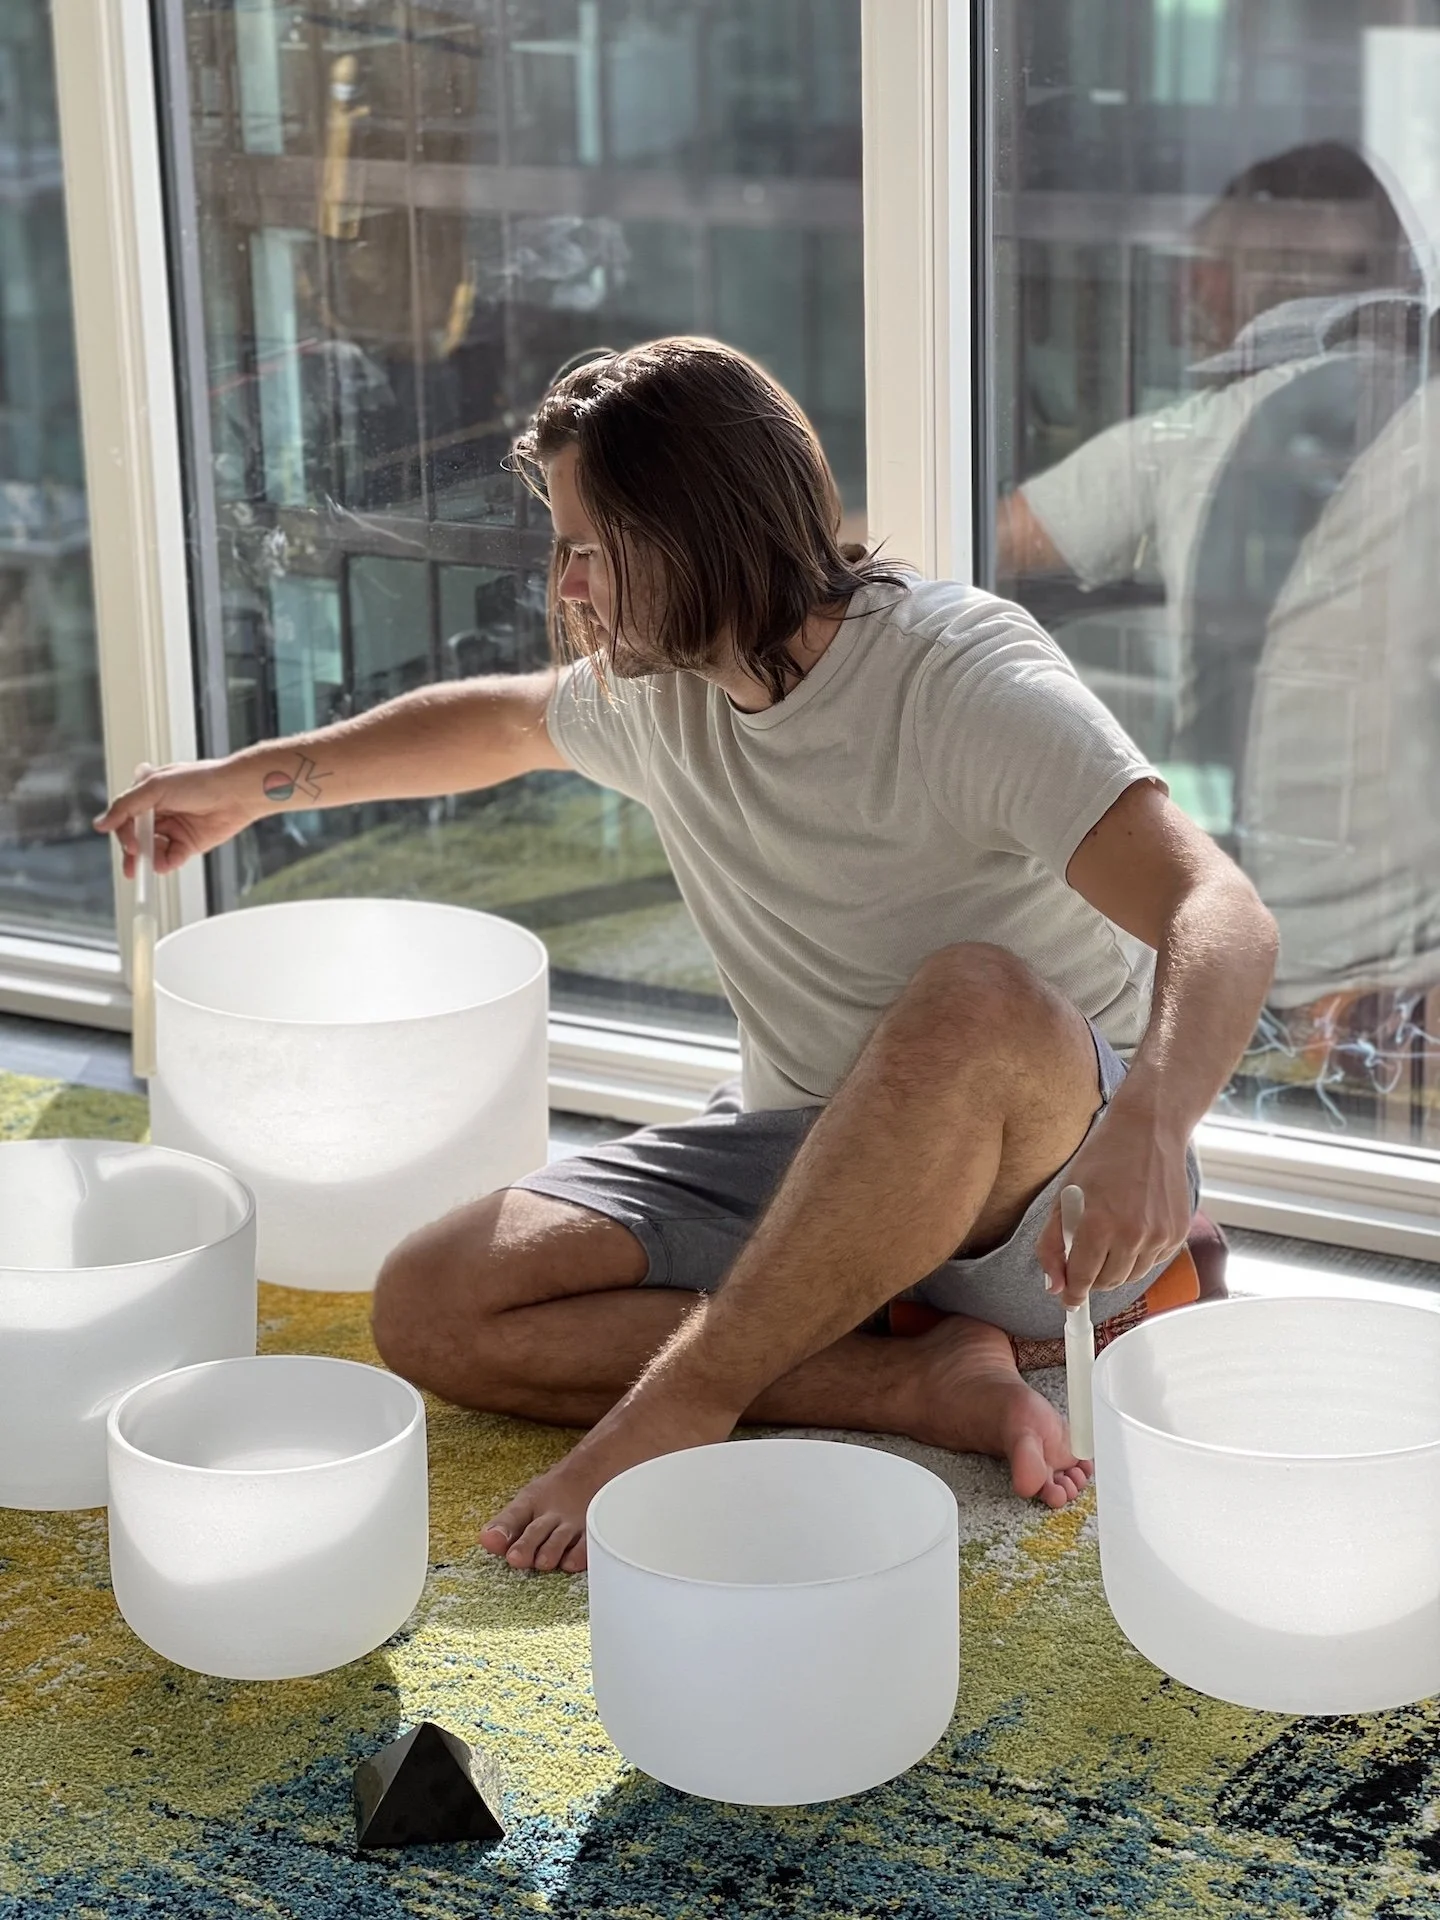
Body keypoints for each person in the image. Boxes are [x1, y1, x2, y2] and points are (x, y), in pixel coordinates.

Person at [95, 338, 1278, 1575]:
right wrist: (243, 786)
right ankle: (913, 1382)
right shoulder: (660, 692)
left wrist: (1152, 1129)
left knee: (971, 995)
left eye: (588, 549)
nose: (567, 587)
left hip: (1044, 1199)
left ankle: (687, 1398)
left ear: (694, 528)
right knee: (431, 1302)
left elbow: (1220, 909)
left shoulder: (957, 678)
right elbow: (500, 724)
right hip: (804, 1146)